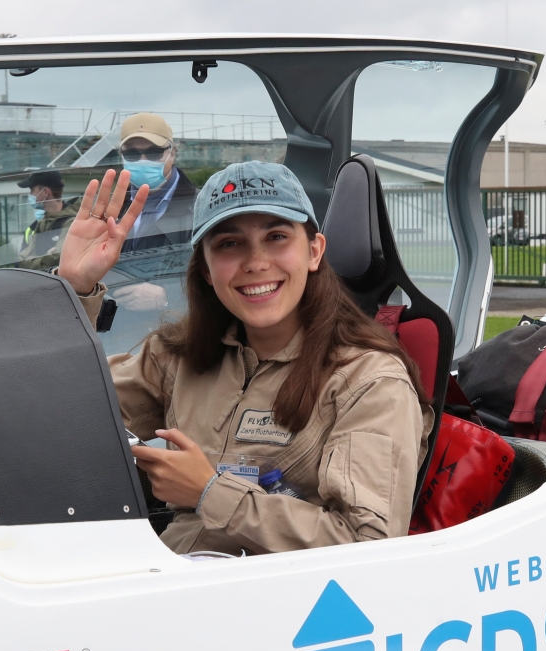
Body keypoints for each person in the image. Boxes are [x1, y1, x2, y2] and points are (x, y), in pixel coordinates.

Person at [57, 162, 434, 556]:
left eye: (276, 237)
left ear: (314, 251)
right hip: (166, 577)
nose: (256, 262)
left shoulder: (369, 381)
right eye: (229, 244)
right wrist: (75, 289)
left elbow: (368, 547)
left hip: (280, 604)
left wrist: (209, 493)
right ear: (205, 268)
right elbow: (62, 418)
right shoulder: (177, 356)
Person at [109, 112, 198, 312]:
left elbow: (219, 277)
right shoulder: (107, 208)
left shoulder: (201, 206)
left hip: (175, 333)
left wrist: (169, 297)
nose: (143, 160)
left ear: (173, 153)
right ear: (121, 156)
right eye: (132, 154)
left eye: (154, 152)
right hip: (114, 329)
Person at [16, 170, 81, 271]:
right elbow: (22, 260)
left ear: (45, 192)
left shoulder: (71, 222)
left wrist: (32, 261)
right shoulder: (42, 222)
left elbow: (58, 260)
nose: (30, 194)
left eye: (32, 190)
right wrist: (45, 259)